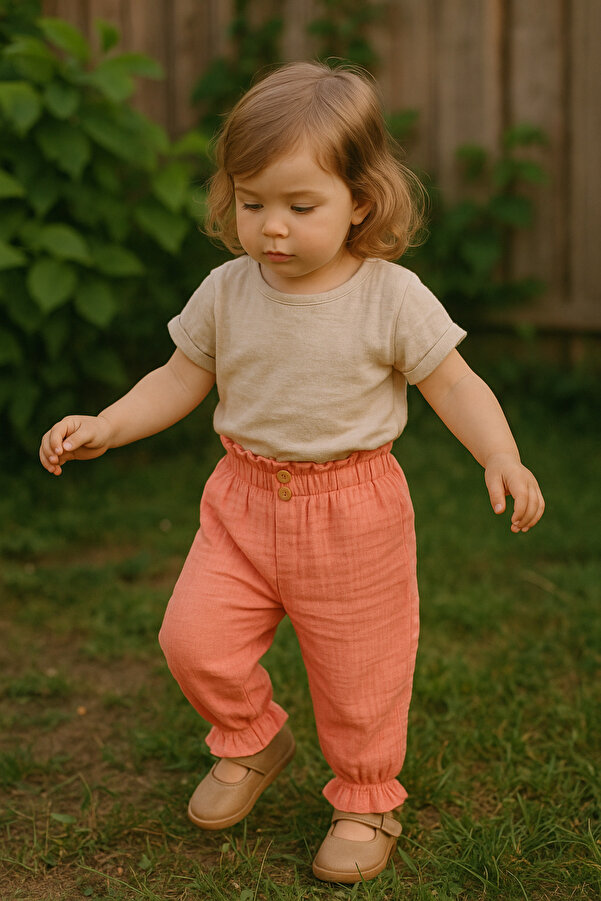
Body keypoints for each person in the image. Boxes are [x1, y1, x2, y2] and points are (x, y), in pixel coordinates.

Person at [39, 61, 544, 884]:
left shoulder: (390, 296)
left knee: (360, 673)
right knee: (193, 640)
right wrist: (109, 423)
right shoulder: (227, 291)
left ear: (361, 201)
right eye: (251, 203)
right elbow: (178, 375)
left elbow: (452, 380)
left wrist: (500, 452)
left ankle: (364, 796)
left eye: (299, 206)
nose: (271, 227)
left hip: (353, 512)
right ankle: (250, 737)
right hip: (239, 501)